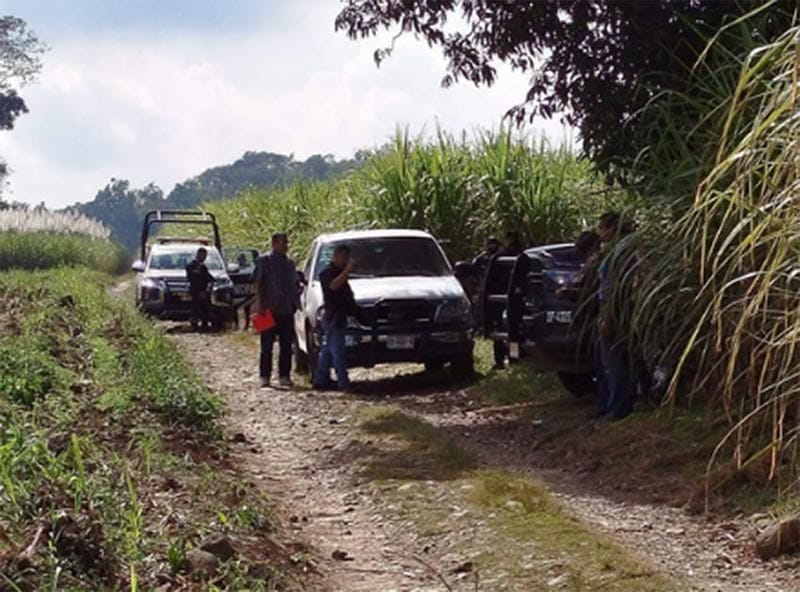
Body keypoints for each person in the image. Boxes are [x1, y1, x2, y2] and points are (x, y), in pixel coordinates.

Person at [596, 212, 636, 420]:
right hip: (619, 309)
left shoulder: (619, 252)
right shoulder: (622, 249)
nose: (600, 231)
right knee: (618, 359)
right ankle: (617, 404)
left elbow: (613, 288)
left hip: (615, 309)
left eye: (602, 227)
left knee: (614, 361)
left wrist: (608, 318)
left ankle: (618, 408)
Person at [255, 233, 300, 388]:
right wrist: (260, 305)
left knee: (286, 345)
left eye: (287, 242)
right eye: (284, 242)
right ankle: (265, 376)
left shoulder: (289, 263)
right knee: (266, 345)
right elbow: (259, 283)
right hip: (267, 309)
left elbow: (294, 283)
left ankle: (284, 375)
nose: (287, 245)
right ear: (275, 243)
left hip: (286, 309)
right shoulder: (264, 260)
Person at [313, 244, 356, 391]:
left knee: (328, 349)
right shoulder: (327, 274)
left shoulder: (340, 272)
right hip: (333, 317)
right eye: (343, 258)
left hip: (340, 316)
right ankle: (343, 381)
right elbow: (333, 286)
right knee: (337, 351)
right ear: (336, 256)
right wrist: (347, 271)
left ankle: (320, 379)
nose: (345, 261)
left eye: (347, 258)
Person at [186, 247, 214, 332]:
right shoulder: (191, 266)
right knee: (196, 308)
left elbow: (209, 277)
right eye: (203, 255)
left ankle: (204, 325)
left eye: (206, 255)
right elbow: (192, 278)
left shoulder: (203, 267)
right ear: (198, 254)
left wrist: (213, 281)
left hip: (203, 290)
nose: (205, 257)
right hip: (196, 291)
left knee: (204, 308)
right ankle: (195, 325)